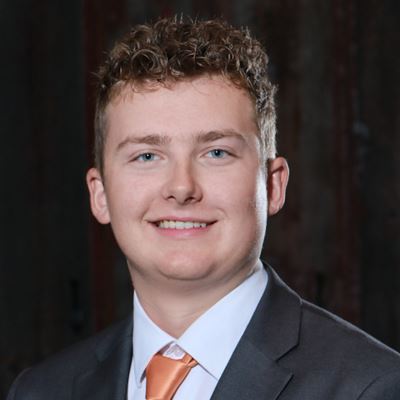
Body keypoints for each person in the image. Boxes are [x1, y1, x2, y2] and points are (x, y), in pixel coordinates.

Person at [7, 16, 400, 400]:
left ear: (273, 185)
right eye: (147, 156)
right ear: (100, 195)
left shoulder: (371, 387)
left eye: (216, 152)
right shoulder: (41, 391)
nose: (181, 188)